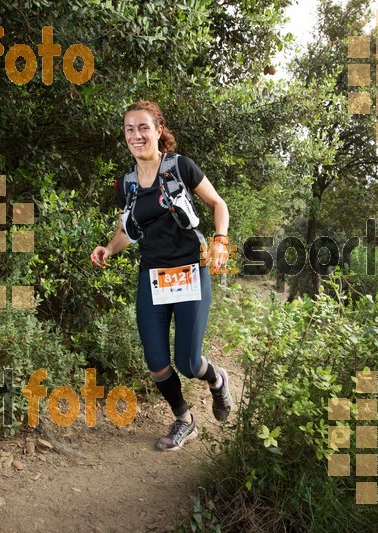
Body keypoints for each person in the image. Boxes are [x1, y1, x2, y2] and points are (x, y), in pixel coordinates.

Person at [90, 100, 233, 451]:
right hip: (152, 274)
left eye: (143, 127)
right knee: (155, 360)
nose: (136, 135)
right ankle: (184, 419)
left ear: (157, 130)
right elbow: (128, 230)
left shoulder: (180, 167)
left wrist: (220, 240)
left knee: (187, 361)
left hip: (189, 269)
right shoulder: (126, 184)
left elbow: (218, 204)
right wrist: (108, 248)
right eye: (129, 129)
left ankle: (217, 379)